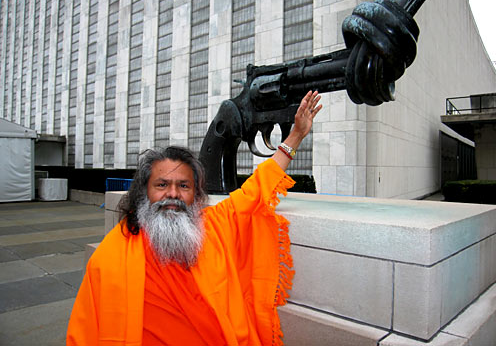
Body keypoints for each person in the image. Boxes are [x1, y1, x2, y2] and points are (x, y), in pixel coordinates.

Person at [67, 91, 322, 346]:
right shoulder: (111, 255)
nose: (173, 194)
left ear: (196, 194)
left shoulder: (213, 225)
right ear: (144, 191)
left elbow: (255, 190)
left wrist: (296, 135)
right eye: (162, 184)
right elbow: (85, 331)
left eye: (184, 186)